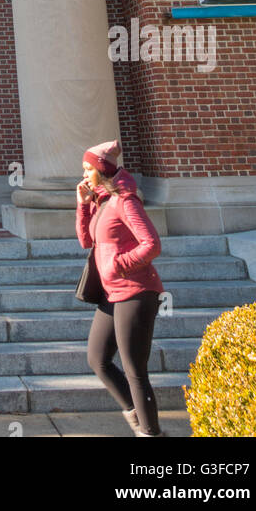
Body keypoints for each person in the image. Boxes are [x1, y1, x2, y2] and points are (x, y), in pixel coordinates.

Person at [76, 139, 166, 437]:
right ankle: (138, 420)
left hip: (136, 292)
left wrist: (118, 265)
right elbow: (86, 241)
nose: (84, 174)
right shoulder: (102, 202)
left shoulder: (126, 200)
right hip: (111, 294)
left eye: (88, 169)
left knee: (135, 371)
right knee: (98, 359)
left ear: (101, 171)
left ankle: (150, 432)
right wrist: (83, 205)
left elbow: (151, 244)